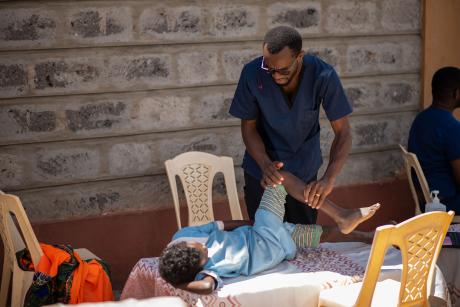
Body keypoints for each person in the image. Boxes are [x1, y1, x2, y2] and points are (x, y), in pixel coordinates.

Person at [158, 171, 379, 294]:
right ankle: (341, 214)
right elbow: (206, 286)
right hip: (264, 238)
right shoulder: (200, 272)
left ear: (182, 245)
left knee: (321, 235)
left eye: (201, 249)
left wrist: (251, 222)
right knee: (280, 179)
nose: (207, 250)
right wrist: (175, 282)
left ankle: (369, 237)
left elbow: (222, 225)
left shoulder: (184, 237)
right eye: (204, 257)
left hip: (273, 246)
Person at [229, 26, 352, 225]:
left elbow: (343, 132)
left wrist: (329, 177)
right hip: (263, 173)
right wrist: (264, 164)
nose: (276, 76)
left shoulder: (322, 75)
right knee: (267, 242)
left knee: (305, 241)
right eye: (270, 69)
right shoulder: (252, 73)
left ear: (300, 56)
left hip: (304, 176)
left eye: (283, 70)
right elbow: (248, 128)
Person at [408, 66, 460, 213]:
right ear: (456, 93)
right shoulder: (452, 127)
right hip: (447, 202)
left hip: (427, 198)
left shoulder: (420, 119)